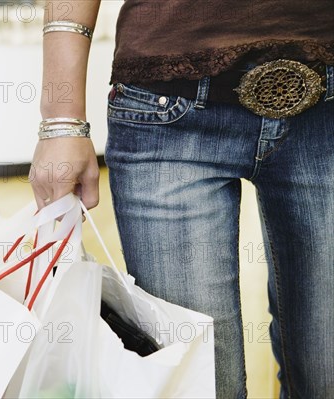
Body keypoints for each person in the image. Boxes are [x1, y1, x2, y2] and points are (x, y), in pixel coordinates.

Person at [30, 1, 334, 398]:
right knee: (203, 385)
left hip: (324, 110)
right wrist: (60, 121)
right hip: (167, 110)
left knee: (325, 376)